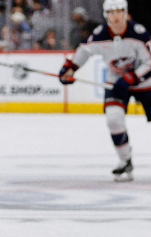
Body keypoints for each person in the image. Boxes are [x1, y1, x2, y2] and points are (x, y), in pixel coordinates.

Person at [58, 0, 151, 181]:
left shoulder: (139, 33)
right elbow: (84, 51)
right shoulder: (100, 34)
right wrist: (70, 69)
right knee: (113, 119)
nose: (116, 17)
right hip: (115, 84)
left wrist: (133, 77)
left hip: (144, 84)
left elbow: (150, 62)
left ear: (125, 13)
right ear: (106, 15)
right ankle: (125, 160)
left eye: (119, 12)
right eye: (111, 12)